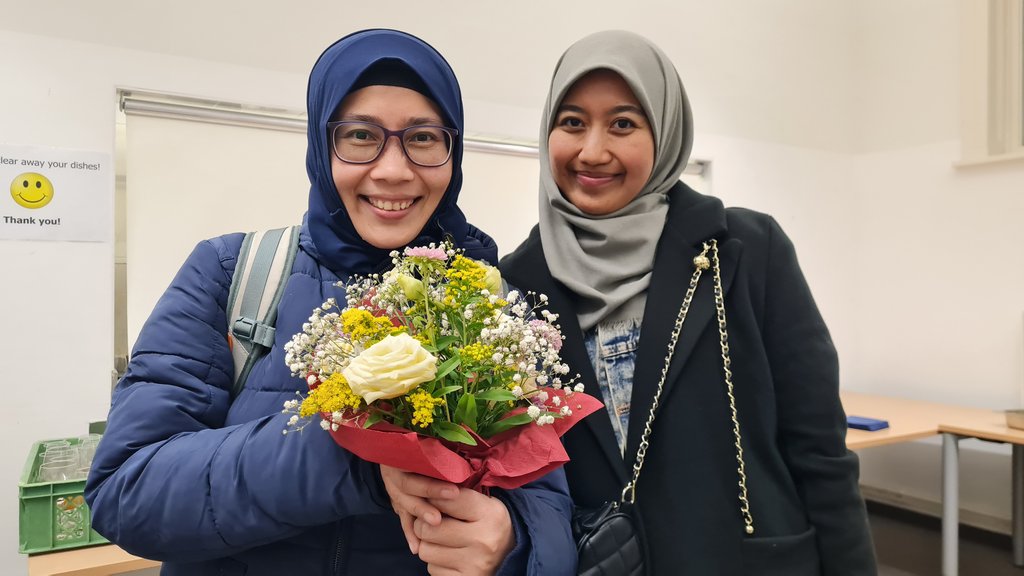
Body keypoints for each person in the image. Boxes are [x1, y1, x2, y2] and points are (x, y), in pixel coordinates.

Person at [85, 29, 575, 576]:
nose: (393, 170)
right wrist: (360, 459)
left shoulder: (487, 306)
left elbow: (547, 501)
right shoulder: (232, 273)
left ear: (452, 153)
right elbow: (126, 491)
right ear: (321, 145)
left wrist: (512, 546)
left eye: (423, 138)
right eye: (361, 135)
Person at [498, 30, 879, 574]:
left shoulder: (745, 251)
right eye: (573, 122)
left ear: (666, 133)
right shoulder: (519, 283)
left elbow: (819, 450)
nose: (593, 151)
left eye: (623, 124)